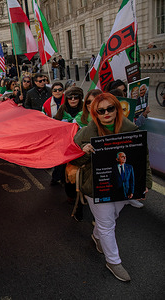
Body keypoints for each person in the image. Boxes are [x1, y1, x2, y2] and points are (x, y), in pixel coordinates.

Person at [70, 93, 152, 282]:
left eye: (110, 108)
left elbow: (142, 157)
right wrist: (84, 152)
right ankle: (113, 261)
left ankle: (97, 236)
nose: (106, 113)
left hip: (122, 185)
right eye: (101, 110)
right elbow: (73, 158)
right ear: (95, 113)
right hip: (96, 185)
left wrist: (145, 183)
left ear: (117, 108)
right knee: (107, 223)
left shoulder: (130, 128)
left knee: (112, 216)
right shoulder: (86, 132)